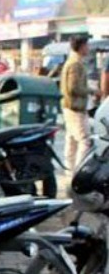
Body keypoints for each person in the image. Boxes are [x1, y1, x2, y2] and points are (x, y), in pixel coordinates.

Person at [61, 36, 93, 173]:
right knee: (85, 140)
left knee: (72, 139)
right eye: (87, 45)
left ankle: (70, 170)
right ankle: (79, 170)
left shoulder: (74, 61)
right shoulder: (75, 64)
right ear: (81, 47)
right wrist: (92, 91)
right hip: (75, 107)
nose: (88, 48)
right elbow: (73, 88)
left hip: (70, 107)